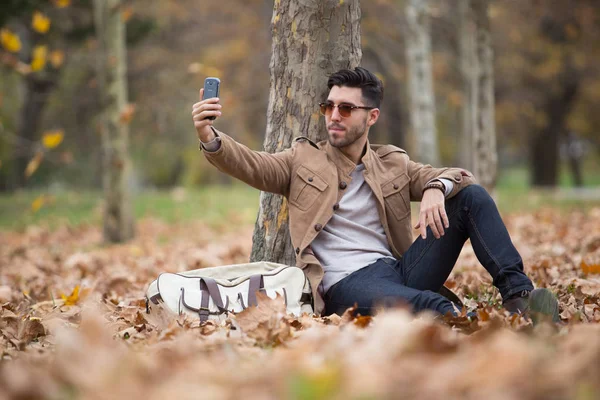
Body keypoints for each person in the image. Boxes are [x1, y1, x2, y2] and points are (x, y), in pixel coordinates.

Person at [191, 67, 559, 324]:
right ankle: (487, 338)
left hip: (398, 269)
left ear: (371, 117)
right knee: (430, 305)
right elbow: (252, 165)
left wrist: (435, 187)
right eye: (329, 106)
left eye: (346, 108)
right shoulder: (302, 160)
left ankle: (520, 300)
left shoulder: (391, 162)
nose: (334, 115)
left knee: (472, 198)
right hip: (346, 282)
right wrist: (210, 137)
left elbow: (458, 177)